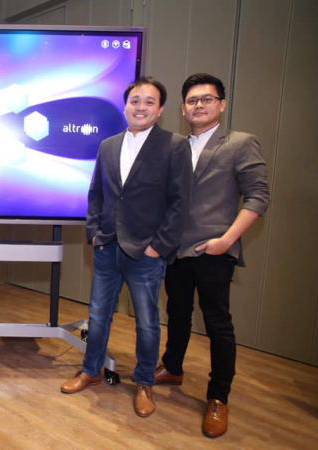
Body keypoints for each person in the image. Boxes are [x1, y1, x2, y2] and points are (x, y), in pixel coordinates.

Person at [61, 77, 192, 419]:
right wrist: (94, 234)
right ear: (125, 106)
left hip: (146, 253)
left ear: (160, 109)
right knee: (97, 316)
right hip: (107, 247)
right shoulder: (108, 145)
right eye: (135, 101)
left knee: (147, 323)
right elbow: (96, 194)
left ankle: (145, 383)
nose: (141, 107)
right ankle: (91, 371)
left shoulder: (175, 146)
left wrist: (158, 247)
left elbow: (180, 203)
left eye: (149, 102)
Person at [155, 73, 270, 438]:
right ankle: (173, 367)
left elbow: (258, 197)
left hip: (214, 250)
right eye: (192, 100)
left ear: (222, 104)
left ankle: (218, 397)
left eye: (207, 99)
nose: (199, 105)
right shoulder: (175, 147)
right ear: (182, 109)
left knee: (218, 324)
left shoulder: (240, 143)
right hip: (175, 250)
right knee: (177, 313)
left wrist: (227, 241)